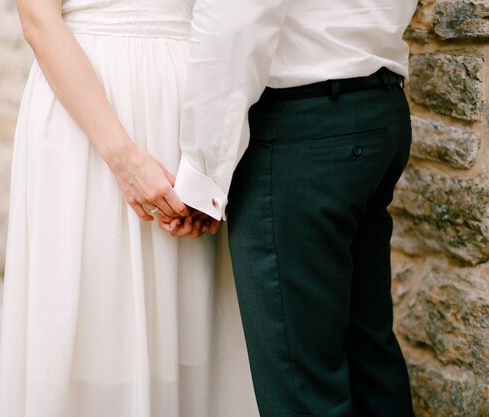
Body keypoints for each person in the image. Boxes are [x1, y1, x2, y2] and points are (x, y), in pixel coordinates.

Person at [0, 0, 258, 416]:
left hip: (186, 104)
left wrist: (210, 166)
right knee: (96, 312)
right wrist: (122, 156)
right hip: (91, 110)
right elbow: (38, 20)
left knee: (186, 315)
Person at [167, 0, 420, 416]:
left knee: (302, 393)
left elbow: (236, 22)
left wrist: (205, 172)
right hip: (380, 110)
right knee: (370, 361)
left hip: (302, 134)